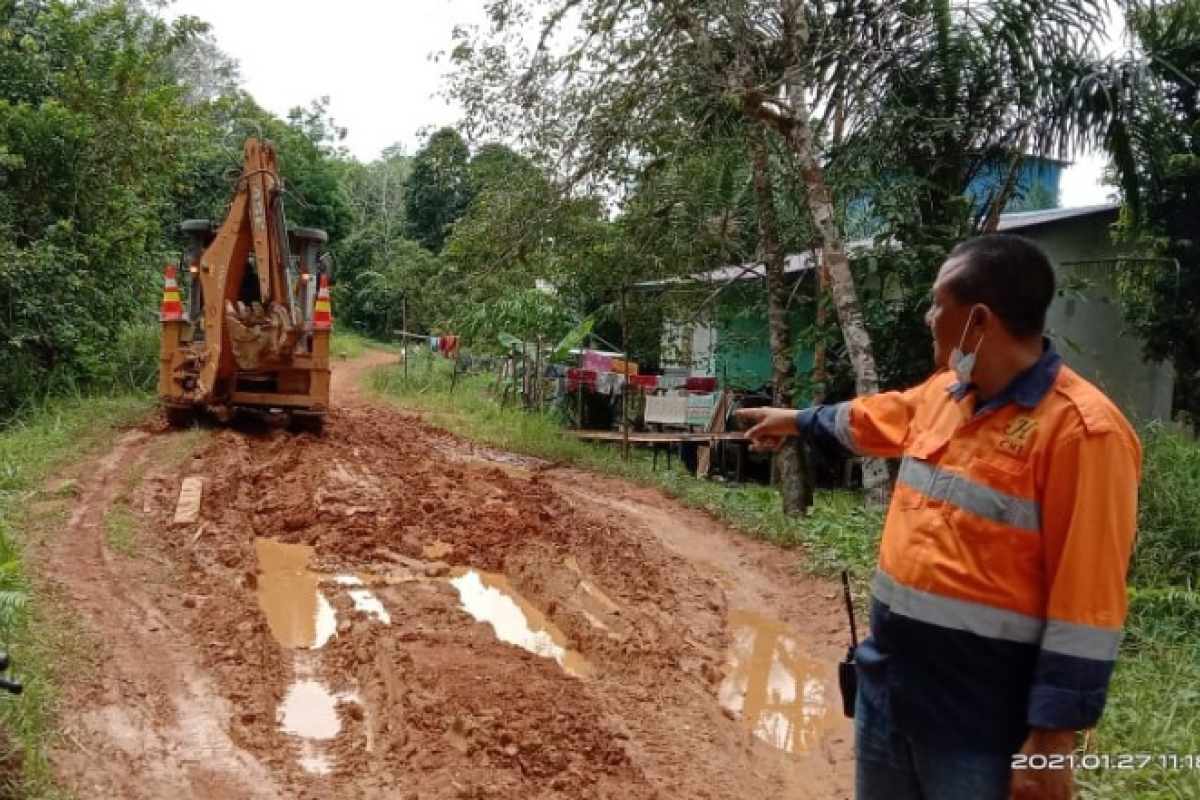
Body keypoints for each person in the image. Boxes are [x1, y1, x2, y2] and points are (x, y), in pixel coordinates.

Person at [736, 234, 1141, 800]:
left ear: (977, 321)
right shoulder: (948, 395)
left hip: (979, 731)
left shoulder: (1082, 433)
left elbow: (1088, 603)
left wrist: (1051, 740)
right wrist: (798, 419)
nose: (929, 317)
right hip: (890, 697)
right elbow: (875, 419)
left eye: (936, 303)